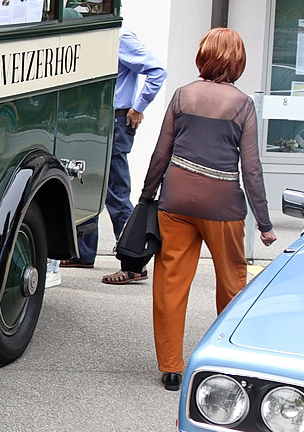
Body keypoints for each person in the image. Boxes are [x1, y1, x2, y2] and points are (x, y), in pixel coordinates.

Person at [139, 29, 276, 390]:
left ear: (203, 56)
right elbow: (251, 168)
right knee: (231, 282)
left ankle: (172, 367)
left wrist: (147, 196)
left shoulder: (182, 95)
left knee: (171, 282)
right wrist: (264, 223)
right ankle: (227, 360)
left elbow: (161, 153)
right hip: (223, 206)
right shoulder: (243, 105)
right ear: (238, 61)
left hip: (176, 201)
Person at [64, 27, 166, 283]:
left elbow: (157, 71)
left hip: (116, 121)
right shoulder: (99, 35)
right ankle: (84, 253)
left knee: (115, 192)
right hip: (98, 120)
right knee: (89, 184)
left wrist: (138, 107)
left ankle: (134, 263)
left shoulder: (121, 38)